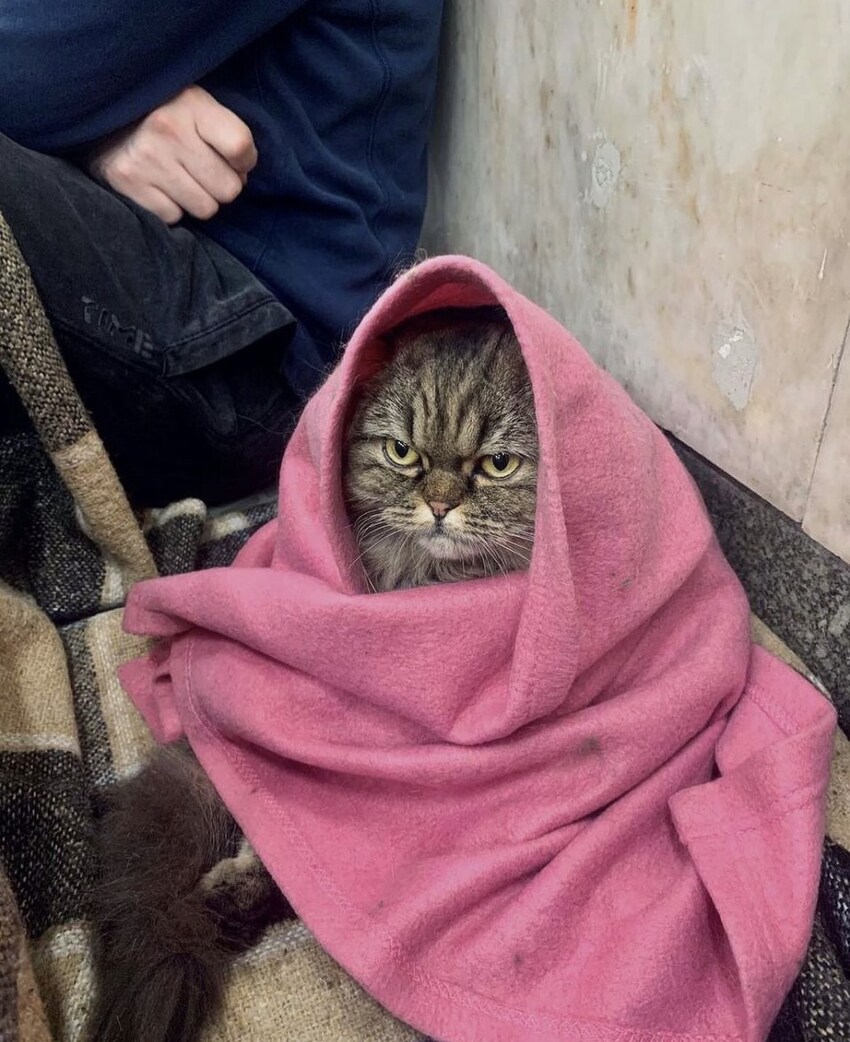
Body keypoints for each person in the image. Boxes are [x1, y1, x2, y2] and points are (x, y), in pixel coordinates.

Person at [0, 2, 443, 505]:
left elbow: (26, 67)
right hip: (181, 282)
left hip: (261, 349)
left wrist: (83, 119)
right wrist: (92, 130)